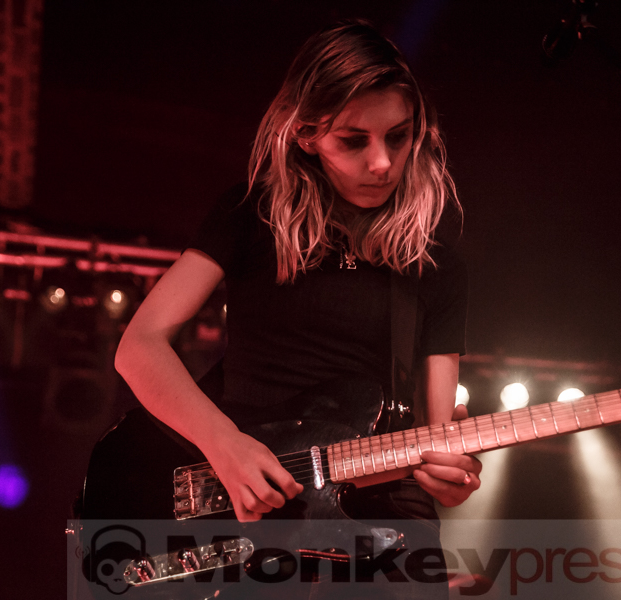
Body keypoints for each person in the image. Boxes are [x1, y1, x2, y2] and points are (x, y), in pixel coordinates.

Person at [113, 19, 482, 597]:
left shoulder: (436, 263)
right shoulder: (251, 215)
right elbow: (139, 347)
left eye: (399, 136)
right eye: (353, 140)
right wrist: (225, 445)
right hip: (250, 508)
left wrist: (449, 476)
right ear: (307, 134)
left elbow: (436, 441)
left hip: (388, 522)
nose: (382, 162)